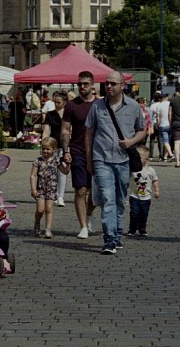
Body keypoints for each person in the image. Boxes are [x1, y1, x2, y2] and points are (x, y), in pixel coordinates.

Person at [85, 71, 146, 254]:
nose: (109, 87)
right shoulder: (97, 106)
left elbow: (142, 130)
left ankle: (117, 233)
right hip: (101, 158)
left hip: (123, 160)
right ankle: (109, 238)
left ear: (122, 86)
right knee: (107, 198)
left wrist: (131, 142)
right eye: (107, 83)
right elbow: (88, 134)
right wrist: (89, 160)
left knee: (120, 199)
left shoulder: (133, 107)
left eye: (113, 83)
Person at [61, 71, 96, 239]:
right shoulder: (71, 105)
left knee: (95, 192)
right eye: (80, 84)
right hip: (77, 150)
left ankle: (89, 215)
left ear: (92, 85)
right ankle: (83, 226)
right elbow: (65, 130)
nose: (82, 87)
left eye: (85, 84)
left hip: (98, 152)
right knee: (81, 190)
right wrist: (66, 151)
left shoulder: (100, 104)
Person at [30, 136, 67, 238]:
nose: (45, 151)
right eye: (43, 148)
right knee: (40, 210)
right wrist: (33, 189)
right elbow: (33, 175)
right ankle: (37, 223)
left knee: (49, 209)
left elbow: (65, 172)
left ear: (53, 150)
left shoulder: (56, 160)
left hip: (51, 189)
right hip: (40, 189)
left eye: (48, 149)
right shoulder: (38, 160)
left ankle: (48, 229)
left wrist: (68, 164)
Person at [128, 145, 160, 237]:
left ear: (146, 159)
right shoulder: (132, 169)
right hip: (134, 196)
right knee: (134, 213)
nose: (136, 159)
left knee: (144, 214)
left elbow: (155, 180)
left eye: (139, 157)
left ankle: (142, 229)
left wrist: (157, 190)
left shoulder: (150, 170)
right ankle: (132, 229)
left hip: (146, 197)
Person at [42, 91, 67, 207]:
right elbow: (46, 130)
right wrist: (44, 144)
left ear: (64, 102)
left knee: (63, 170)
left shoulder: (68, 113)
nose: (56, 104)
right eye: (55, 102)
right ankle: (54, 194)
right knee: (51, 171)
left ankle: (60, 196)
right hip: (53, 144)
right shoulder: (50, 114)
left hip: (66, 145)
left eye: (59, 102)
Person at [149, 92, 173, 162]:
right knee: (161, 141)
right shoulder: (168, 104)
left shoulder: (153, 106)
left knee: (152, 140)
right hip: (166, 124)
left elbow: (152, 116)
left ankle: (151, 155)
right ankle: (162, 155)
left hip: (155, 124)